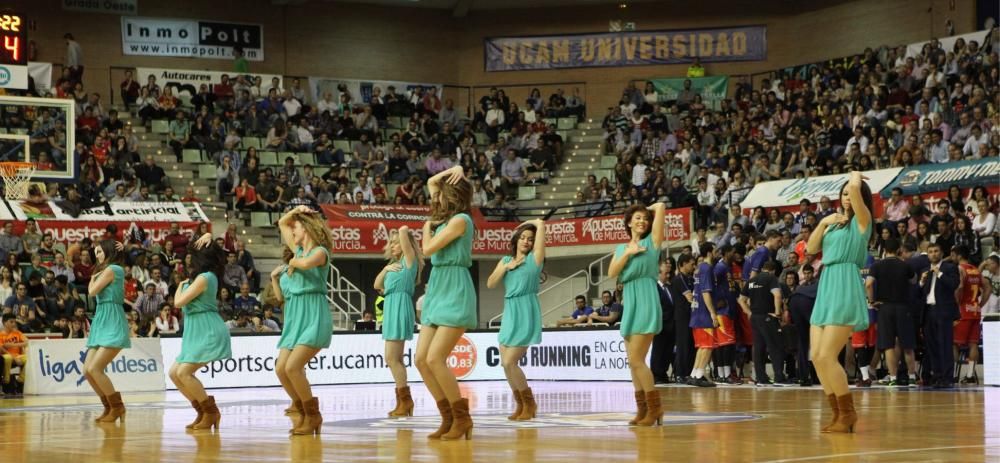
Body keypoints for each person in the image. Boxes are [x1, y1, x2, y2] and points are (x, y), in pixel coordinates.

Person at [808, 171, 873, 434]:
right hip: (827, 283)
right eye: (843, 193)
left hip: (845, 282)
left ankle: (848, 413)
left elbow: (856, 193)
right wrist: (823, 223)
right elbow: (812, 249)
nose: (847, 196)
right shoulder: (833, 223)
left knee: (827, 355)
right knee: (816, 357)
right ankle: (838, 414)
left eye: (850, 193)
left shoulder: (863, 221)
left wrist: (854, 177)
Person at [415, 165, 477, 440]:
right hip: (438, 285)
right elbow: (431, 181)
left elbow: (427, 249)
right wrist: (456, 169)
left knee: (435, 358)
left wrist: (426, 228)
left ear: (451, 196)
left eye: (440, 194)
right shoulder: (446, 218)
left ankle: (462, 418)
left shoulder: (461, 220)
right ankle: (449, 417)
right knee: (420, 360)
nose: (435, 198)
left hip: (454, 287)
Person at [274, 205, 333, 436]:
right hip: (295, 316)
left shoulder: (320, 252)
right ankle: (301, 409)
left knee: (293, 367)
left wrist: (291, 264)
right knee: (281, 369)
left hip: (313, 313)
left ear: (306, 229)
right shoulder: (296, 250)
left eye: (296, 227)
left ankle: (313, 414)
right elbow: (281, 223)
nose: (292, 231)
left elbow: (305, 264)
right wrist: (295, 212)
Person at [609, 202, 667, 426]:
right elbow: (612, 272)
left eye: (645, 218)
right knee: (632, 363)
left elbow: (661, 206)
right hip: (630, 303)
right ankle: (643, 410)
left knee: (636, 359)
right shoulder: (622, 249)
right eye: (637, 218)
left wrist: (646, 208)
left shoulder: (652, 242)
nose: (642, 221)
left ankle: (656, 408)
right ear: (628, 223)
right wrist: (628, 253)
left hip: (645, 299)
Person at [169, 234, 232, 430]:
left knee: (184, 372)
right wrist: (204, 235)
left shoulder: (206, 277)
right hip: (195, 329)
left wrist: (179, 287)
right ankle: (202, 411)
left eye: (193, 256)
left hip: (208, 328)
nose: (189, 259)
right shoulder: (198, 278)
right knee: (174, 373)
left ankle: (211, 412)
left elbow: (178, 302)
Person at [487, 219, 545, 421]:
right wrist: (507, 267)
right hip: (509, 311)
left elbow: (540, 236)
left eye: (530, 239)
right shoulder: (504, 261)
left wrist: (538, 224)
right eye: (523, 238)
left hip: (526, 310)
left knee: (511, 361)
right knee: (505, 364)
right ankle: (520, 404)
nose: (527, 242)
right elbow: (491, 283)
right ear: (516, 239)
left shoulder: (535, 259)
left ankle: (530, 403)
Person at [373, 226, 423, 418]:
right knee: (395, 358)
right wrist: (386, 268)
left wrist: (399, 232)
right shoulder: (393, 265)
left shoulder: (409, 261)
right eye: (391, 243)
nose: (392, 245)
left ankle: (405, 400)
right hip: (391, 305)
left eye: (396, 243)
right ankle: (404, 401)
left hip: (400, 305)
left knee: (392, 358)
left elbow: (403, 231)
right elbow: (377, 285)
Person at [84, 240, 130, 423]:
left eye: (100, 252)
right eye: (96, 252)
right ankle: (109, 406)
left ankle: (118, 407)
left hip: (112, 317)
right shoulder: (102, 271)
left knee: (95, 368)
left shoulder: (114, 269)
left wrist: (93, 276)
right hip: (101, 318)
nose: (97, 255)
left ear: (109, 252)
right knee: (87, 370)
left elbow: (92, 291)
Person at [866, 238, 917, 387]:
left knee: (888, 344)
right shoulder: (905, 265)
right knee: (907, 345)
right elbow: (914, 281)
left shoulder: (876, 266)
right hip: (903, 307)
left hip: (885, 307)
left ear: (884, 250)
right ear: (899, 250)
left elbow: (868, 284)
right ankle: (912, 377)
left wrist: (871, 301)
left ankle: (893, 378)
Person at [739, 261, 787, 385]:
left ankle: (761, 378)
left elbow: (741, 300)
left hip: (755, 317)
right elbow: (777, 295)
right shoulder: (771, 278)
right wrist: (777, 313)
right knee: (775, 346)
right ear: (773, 270)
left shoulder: (751, 281)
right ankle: (779, 377)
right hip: (768, 316)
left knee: (759, 347)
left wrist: (749, 313)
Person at [921, 242, 960, 389]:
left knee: (945, 344)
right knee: (932, 346)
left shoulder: (950, 267)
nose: (933, 254)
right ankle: (936, 375)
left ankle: (947, 377)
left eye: (936, 251)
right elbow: (921, 294)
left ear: (941, 253)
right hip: (929, 311)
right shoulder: (926, 270)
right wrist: (921, 282)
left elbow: (954, 284)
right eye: (930, 252)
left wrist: (940, 274)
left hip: (943, 311)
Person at [689, 242, 721, 388]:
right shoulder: (707, 268)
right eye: (715, 250)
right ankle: (700, 375)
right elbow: (706, 292)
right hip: (704, 313)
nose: (717, 253)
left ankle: (695, 374)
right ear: (709, 252)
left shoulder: (699, 268)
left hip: (697, 312)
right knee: (708, 346)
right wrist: (713, 313)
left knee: (702, 346)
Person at [952, 245, 984, 384]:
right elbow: (987, 288)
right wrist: (980, 304)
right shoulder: (976, 269)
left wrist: (957, 303)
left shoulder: (960, 269)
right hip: (975, 311)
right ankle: (970, 375)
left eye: (953, 255)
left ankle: (953, 374)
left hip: (963, 311)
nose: (951, 258)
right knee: (973, 344)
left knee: (953, 343)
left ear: (958, 256)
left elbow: (959, 288)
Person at [788, 265, 819, 386]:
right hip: (808, 305)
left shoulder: (800, 288)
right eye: (805, 273)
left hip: (795, 303)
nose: (807, 276)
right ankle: (816, 376)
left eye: (809, 273)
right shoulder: (820, 284)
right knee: (815, 341)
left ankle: (804, 377)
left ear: (813, 273)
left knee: (803, 342)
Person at [672, 254, 697, 384]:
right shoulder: (679, 279)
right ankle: (680, 374)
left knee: (691, 345)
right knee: (683, 346)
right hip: (682, 317)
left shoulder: (690, 279)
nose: (694, 267)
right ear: (683, 264)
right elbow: (690, 298)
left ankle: (689, 373)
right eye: (691, 264)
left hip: (691, 316)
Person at [650, 260, 676, 384]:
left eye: (669, 273)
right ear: (659, 274)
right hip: (660, 325)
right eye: (666, 273)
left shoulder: (670, 287)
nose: (668, 275)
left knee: (667, 351)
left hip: (671, 325)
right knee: (658, 350)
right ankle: (655, 374)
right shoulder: (654, 288)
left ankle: (663, 373)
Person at [0, 314, 27, 388]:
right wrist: (14, 358)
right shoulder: (0, 335)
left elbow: (26, 341)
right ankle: (6, 381)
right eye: (11, 322)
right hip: (6, 356)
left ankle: (20, 381)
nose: (14, 324)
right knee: (8, 357)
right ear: (4, 323)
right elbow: (3, 349)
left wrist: (12, 345)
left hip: (18, 356)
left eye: (15, 322)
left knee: (29, 359)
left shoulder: (17, 332)